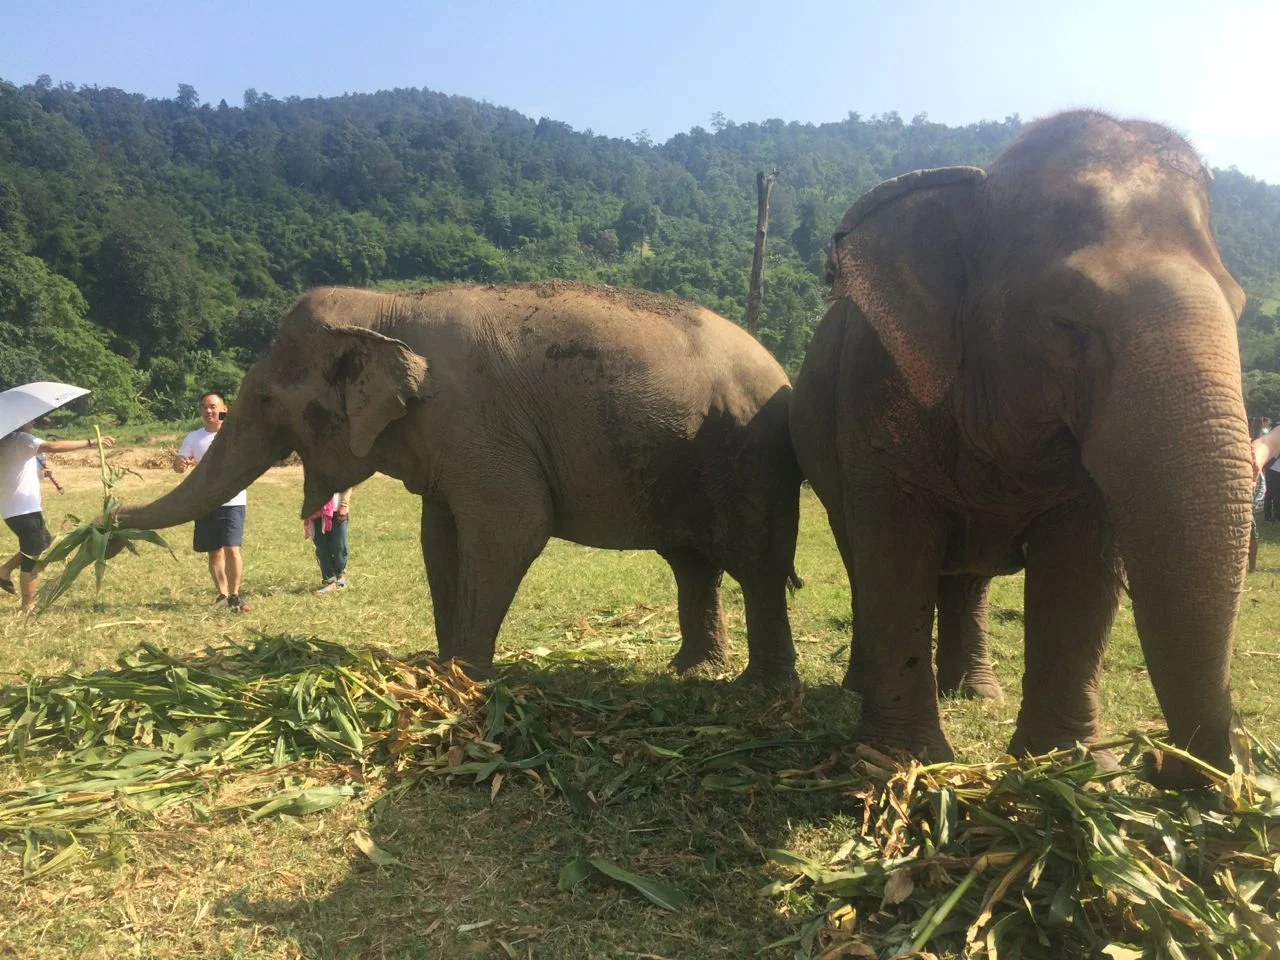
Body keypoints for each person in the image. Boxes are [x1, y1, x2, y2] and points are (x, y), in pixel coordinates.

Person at [0, 422, 114, 614]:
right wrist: (91, 442)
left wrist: (40, 473)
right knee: (34, 555)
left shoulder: (7, 442)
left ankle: (4, 571)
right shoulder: (21, 439)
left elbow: (15, 472)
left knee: (44, 543)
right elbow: (53, 447)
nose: (33, 422)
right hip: (22, 510)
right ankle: (28, 605)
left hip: (16, 508)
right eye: (30, 419)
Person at [177, 391, 250, 612]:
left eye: (213, 406)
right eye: (204, 407)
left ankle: (235, 595)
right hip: (205, 501)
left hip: (233, 500)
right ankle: (222, 595)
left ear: (224, 409)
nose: (209, 411)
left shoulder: (236, 434)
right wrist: (181, 463)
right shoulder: (193, 437)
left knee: (232, 548)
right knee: (214, 550)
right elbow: (178, 467)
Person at [305, 487, 352, 593]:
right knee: (322, 548)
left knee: (339, 546)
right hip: (316, 511)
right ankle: (330, 581)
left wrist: (344, 505)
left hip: (338, 509)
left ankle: (340, 578)